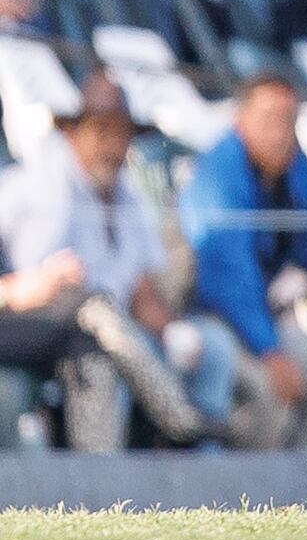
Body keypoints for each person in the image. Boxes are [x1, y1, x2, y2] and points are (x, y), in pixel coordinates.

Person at [0, 77, 215, 447]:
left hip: (59, 326)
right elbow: (24, 288)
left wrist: (171, 329)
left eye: (121, 135)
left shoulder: (128, 198)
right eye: (101, 132)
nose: (113, 146)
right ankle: (179, 418)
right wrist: (19, 289)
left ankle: (98, 474)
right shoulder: (32, 186)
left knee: (93, 350)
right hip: (21, 315)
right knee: (94, 306)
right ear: (73, 133)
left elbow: (142, 290)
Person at [182, 73, 307, 451]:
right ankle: (249, 486)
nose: (280, 133)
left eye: (288, 121)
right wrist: (270, 352)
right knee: (270, 394)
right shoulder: (220, 170)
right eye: (268, 119)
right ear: (241, 120)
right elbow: (228, 277)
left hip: (266, 321)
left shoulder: (295, 169)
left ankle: (304, 483)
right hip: (209, 319)